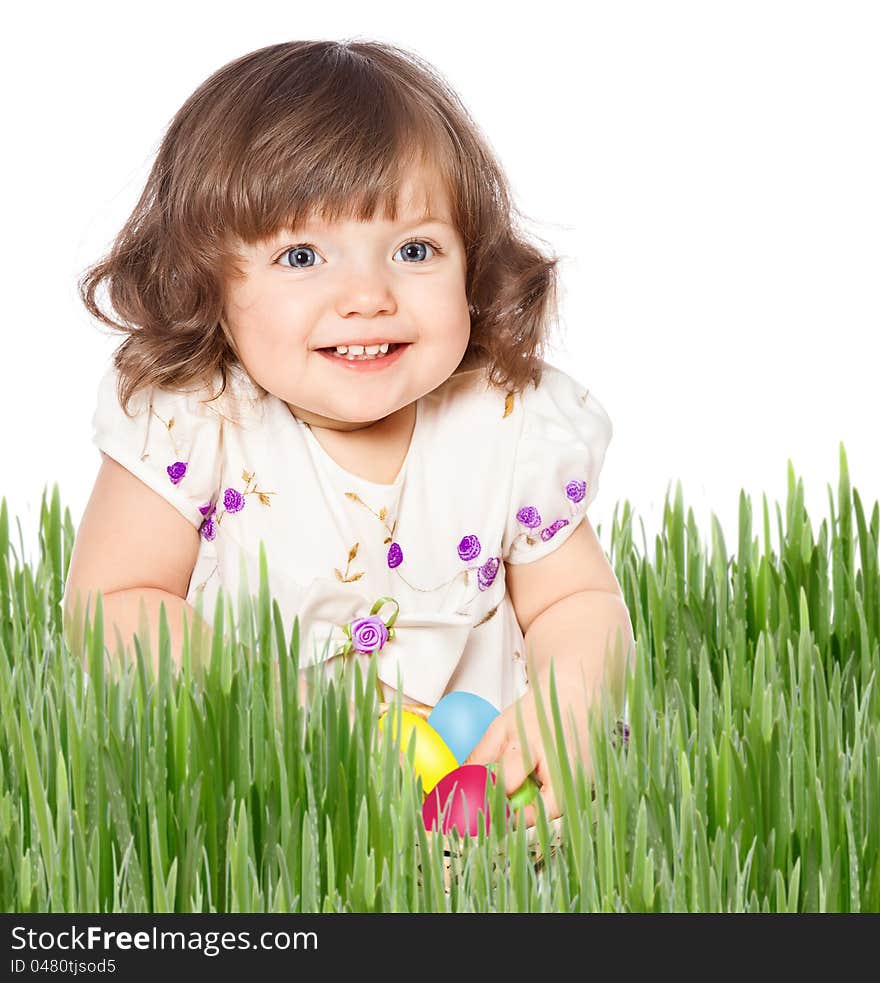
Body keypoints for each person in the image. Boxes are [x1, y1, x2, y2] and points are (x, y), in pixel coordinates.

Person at [64, 38, 635, 827]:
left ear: (473, 265)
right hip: (271, 805)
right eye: (302, 255)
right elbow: (115, 599)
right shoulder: (195, 420)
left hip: (487, 801)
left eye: (414, 249)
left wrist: (570, 706)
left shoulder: (507, 423)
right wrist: (268, 706)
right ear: (205, 283)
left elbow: (577, 598)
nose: (368, 294)